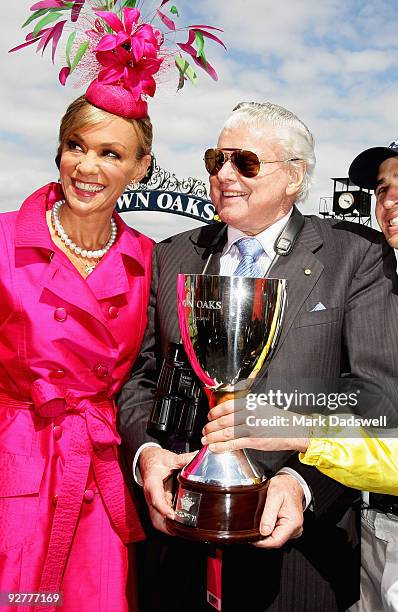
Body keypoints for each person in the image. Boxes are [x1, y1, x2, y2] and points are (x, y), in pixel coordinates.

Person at [118, 101, 398, 611]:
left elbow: (376, 396)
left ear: (294, 176)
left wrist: (302, 480)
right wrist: (148, 456)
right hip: (179, 539)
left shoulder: (354, 256)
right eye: (216, 159)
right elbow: (143, 378)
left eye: (244, 162)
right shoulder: (173, 255)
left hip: (300, 548)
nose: (224, 174)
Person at [203, 132, 398, 611]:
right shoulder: (383, 297)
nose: (390, 197)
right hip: (368, 548)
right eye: (381, 187)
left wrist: (296, 429)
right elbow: (365, 405)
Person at [3, 2, 224, 610]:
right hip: (13, 473)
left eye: (110, 153)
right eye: (77, 146)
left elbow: (163, 372)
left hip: (102, 475)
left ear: (139, 167)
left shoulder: (151, 261)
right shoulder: (3, 242)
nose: (88, 166)